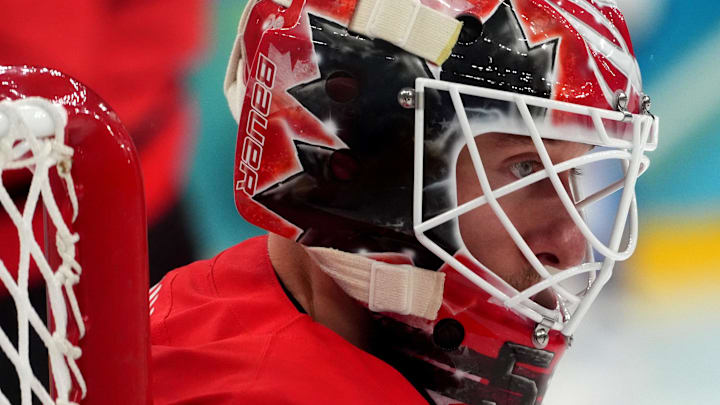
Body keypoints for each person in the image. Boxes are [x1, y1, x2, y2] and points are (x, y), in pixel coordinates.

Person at [150, 0, 658, 404]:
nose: (572, 247)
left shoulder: (228, 309)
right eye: (525, 167)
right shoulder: (269, 392)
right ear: (367, 170)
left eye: (573, 170)